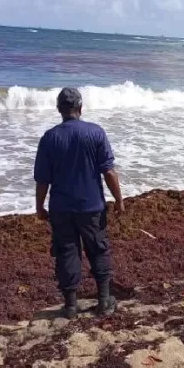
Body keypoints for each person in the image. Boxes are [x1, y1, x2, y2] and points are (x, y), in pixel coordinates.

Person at [33, 87, 125, 319]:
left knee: (66, 253)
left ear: (59, 109)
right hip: (92, 206)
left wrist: (39, 207)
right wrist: (119, 200)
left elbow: (43, 179)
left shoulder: (50, 137)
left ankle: (71, 306)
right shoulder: (95, 133)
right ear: (80, 108)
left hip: (61, 209)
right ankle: (104, 300)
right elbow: (109, 172)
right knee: (98, 250)